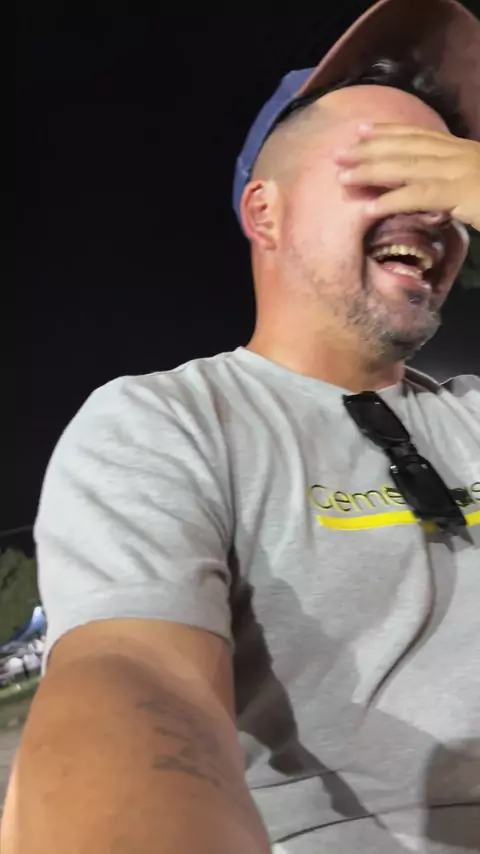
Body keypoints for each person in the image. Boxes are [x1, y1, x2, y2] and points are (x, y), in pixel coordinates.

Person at [3, 1, 480, 852]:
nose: (436, 209)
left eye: (451, 177)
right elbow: (133, 676)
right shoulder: (167, 424)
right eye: (388, 168)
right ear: (265, 213)